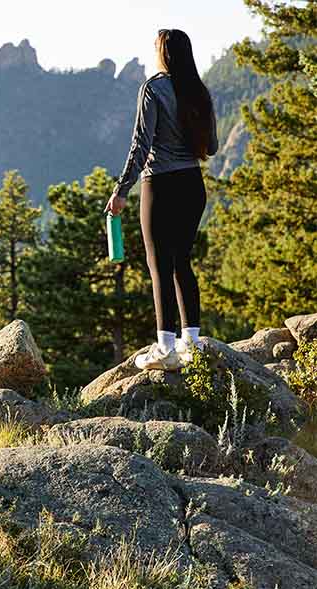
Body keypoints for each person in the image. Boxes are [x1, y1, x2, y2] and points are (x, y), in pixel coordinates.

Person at [105, 28, 219, 371]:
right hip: (192, 186)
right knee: (182, 262)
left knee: (160, 267)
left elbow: (140, 145)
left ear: (163, 54)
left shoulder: (153, 89)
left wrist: (121, 191)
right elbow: (211, 148)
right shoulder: (199, 91)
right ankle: (192, 344)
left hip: (160, 186)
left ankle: (165, 348)